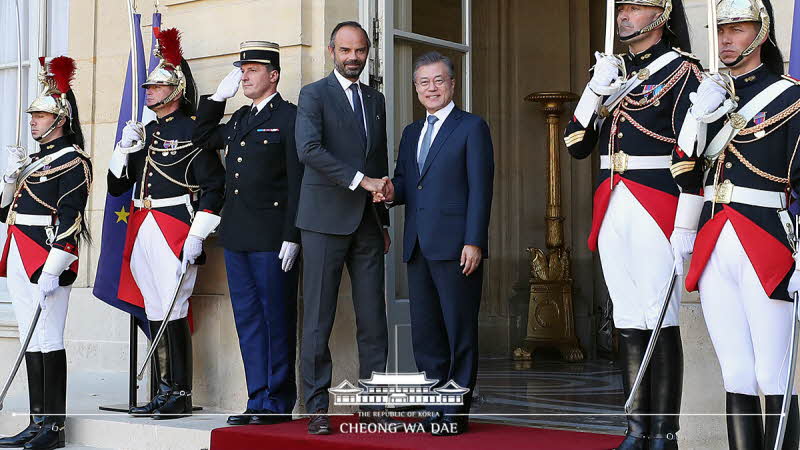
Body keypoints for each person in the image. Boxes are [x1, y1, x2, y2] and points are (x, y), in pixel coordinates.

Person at [562, 1, 700, 448]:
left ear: (660, 17)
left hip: (658, 202)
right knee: (627, 318)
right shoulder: (613, 71)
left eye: (635, 8)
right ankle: (636, 428)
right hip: (613, 202)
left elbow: (694, 158)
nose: (624, 15)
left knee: (661, 320)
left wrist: (686, 224)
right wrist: (594, 92)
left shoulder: (684, 72)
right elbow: (577, 144)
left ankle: (665, 431)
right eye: (621, 7)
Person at [677, 0, 800, 447]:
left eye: (738, 29)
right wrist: (696, 119)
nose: (726, 39)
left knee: (773, 372)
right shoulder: (711, 96)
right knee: (737, 374)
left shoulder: (789, 96)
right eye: (722, 30)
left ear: (762, 33)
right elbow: (685, 174)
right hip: (715, 242)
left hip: (766, 241)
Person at [106, 28, 225, 420]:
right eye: (148, 87)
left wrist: (198, 233)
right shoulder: (147, 131)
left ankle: (180, 392)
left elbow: (214, 184)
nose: (148, 92)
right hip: (143, 222)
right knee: (155, 307)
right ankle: (162, 390)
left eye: (156, 87)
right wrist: (124, 151)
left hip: (176, 223)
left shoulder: (193, 129)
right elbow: (118, 186)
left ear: (175, 91)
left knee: (174, 307)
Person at [378, 51, 494, 436]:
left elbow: (481, 189)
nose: (431, 88)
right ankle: (435, 405)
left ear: (452, 84)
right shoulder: (412, 133)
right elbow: (409, 182)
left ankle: (455, 413)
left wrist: (474, 241)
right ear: (415, 88)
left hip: (458, 247)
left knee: (458, 330)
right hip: (418, 246)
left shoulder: (472, 127)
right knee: (426, 333)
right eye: (423, 82)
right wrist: (391, 191)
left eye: (438, 81)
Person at [192, 41, 302, 425]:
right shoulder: (239, 118)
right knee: (249, 320)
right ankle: (257, 398)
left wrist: (293, 234)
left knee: (276, 318)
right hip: (237, 237)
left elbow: (298, 180)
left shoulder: (289, 117)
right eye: (242, 69)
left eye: (252, 69)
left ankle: (277, 402)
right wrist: (216, 99)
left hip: (273, 238)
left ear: (273, 75)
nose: (244, 76)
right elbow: (200, 138)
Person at [294, 21, 391, 435]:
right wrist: (360, 181)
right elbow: (309, 150)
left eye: (361, 51)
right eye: (346, 50)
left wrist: (383, 218)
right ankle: (316, 406)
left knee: (374, 317)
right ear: (331, 50)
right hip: (323, 221)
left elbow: (379, 161)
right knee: (318, 318)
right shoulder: (313, 95)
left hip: (368, 223)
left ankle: (375, 405)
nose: (354, 58)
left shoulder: (376, 98)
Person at [0, 56, 91, 450]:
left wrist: (56, 264)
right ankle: (37, 423)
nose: (33, 122)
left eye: (41, 116)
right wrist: (9, 179)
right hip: (20, 248)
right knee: (30, 338)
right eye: (33, 116)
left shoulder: (74, 161)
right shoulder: (34, 161)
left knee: (49, 338)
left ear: (60, 120)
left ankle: (53, 429)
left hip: (45, 256)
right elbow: (6, 212)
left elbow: (71, 218)